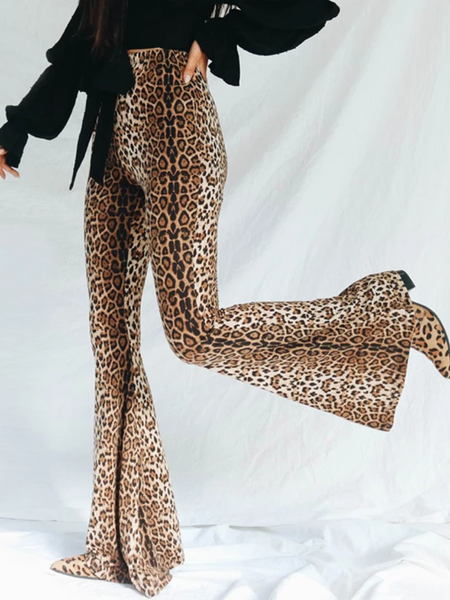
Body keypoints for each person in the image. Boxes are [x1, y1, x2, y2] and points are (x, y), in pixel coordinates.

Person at [1, 1, 449, 598]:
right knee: (112, 349)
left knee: (195, 330)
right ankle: (117, 544)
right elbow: (80, 46)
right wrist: (16, 130)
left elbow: (308, 7)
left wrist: (217, 36)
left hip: (177, 131)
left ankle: (384, 317)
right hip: (112, 140)